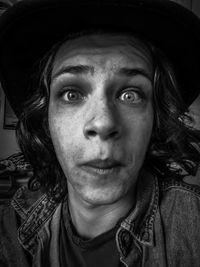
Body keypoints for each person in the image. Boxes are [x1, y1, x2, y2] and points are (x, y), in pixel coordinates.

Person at [0, 0, 200, 266]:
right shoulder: (12, 224)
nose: (103, 123)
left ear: (156, 119)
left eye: (131, 94)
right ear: (46, 118)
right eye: (71, 93)